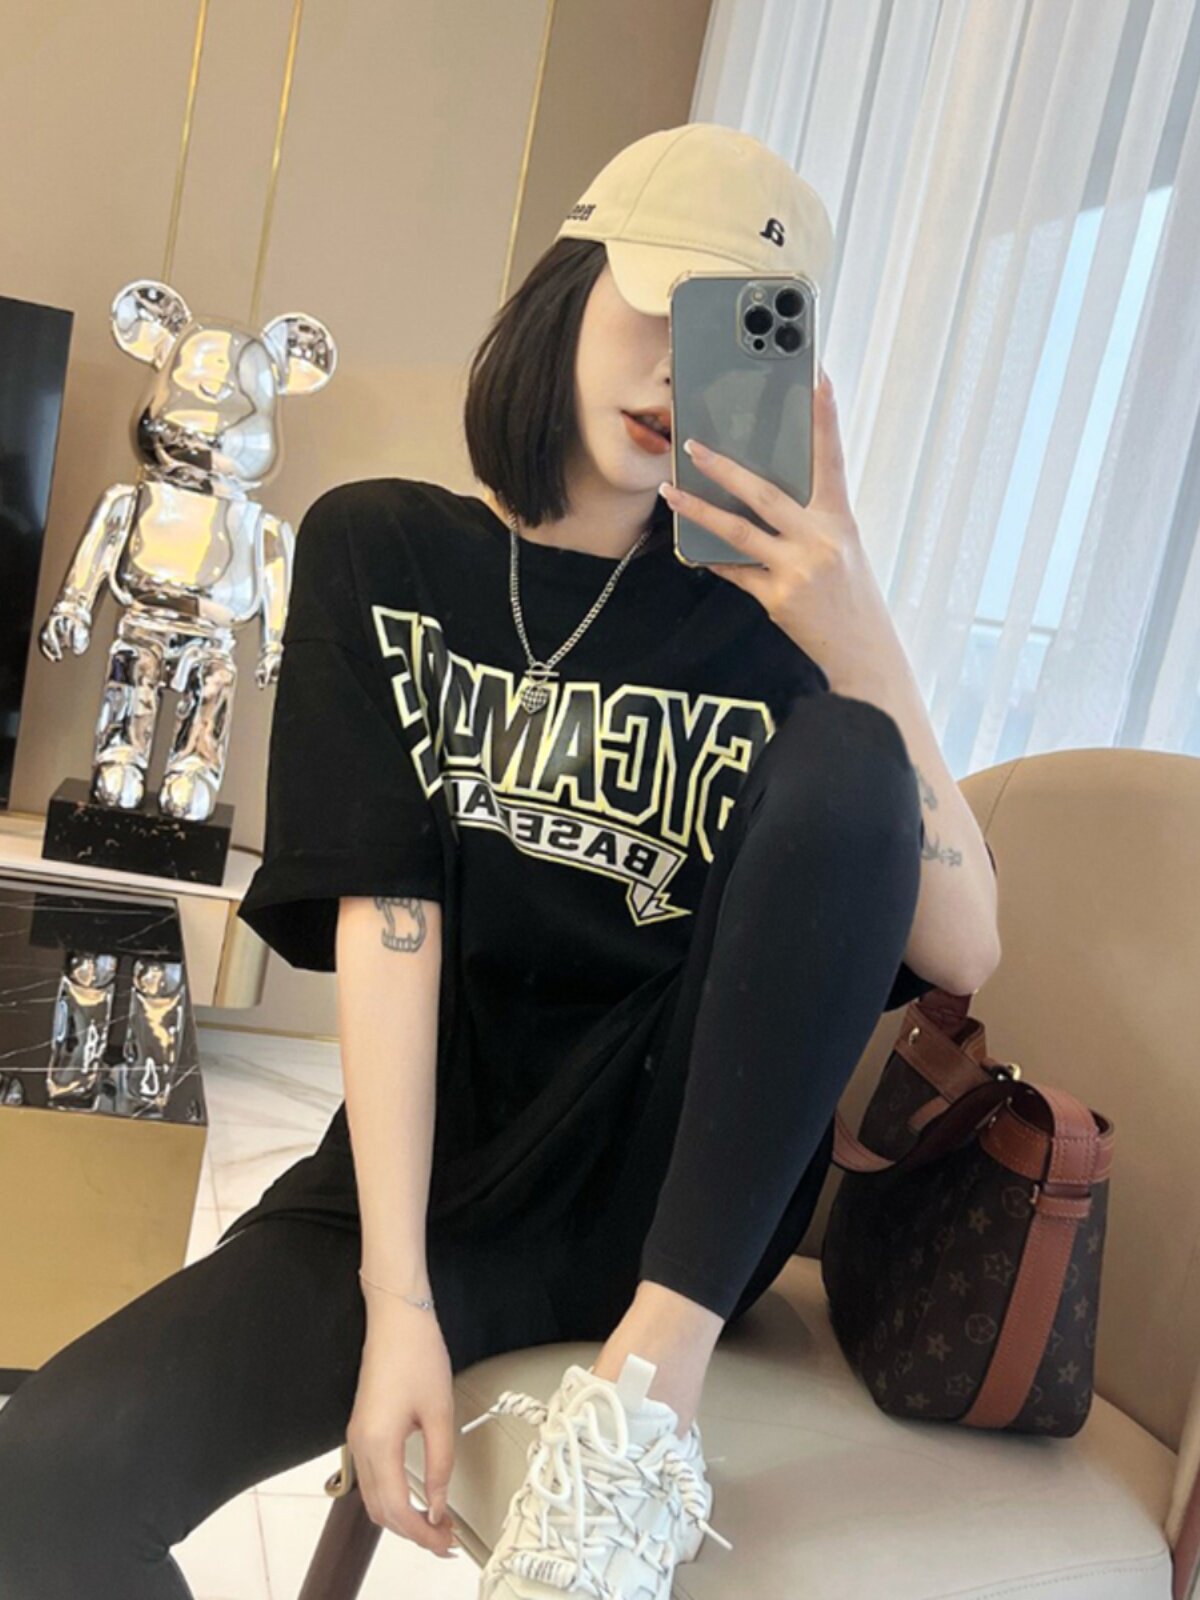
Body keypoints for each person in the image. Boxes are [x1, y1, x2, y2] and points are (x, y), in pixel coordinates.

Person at [0, 122, 982, 1600]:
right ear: (570, 288)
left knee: (851, 751)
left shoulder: (780, 636)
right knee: (39, 1487)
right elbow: (391, 920)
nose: (679, 371)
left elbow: (967, 948)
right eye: (663, 305)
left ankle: (642, 1416)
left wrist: (858, 631)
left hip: (674, 1212)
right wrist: (397, 1296)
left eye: (737, 336)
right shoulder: (384, 552)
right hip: (431, 1183)